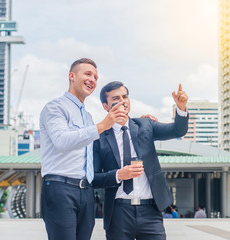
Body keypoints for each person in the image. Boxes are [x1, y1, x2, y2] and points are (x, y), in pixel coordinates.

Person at [92, 81, 189, 240]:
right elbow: (93, 178)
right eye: (116, 98)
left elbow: (178, 130)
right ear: (105, 106)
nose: (123, 101)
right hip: (118, 213)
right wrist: (118, 175)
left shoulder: (145, 124)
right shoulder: (99, 137)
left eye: (125, 96)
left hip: (151, 211)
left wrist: (181, 108)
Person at [40, 58, 123, 240]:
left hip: (86, 191)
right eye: (87, 74)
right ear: (71, 76)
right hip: (60, 187)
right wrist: (102, 126)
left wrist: (141, 122)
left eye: (95, 76)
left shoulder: (87, 116)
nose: (92, 79)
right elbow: (61, 141)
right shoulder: (55, 107)